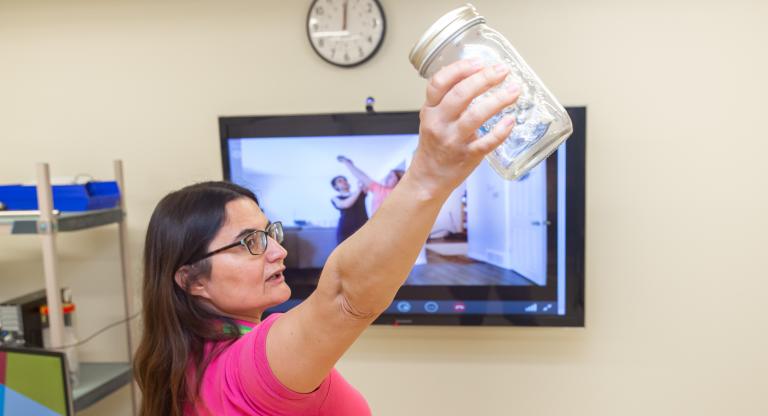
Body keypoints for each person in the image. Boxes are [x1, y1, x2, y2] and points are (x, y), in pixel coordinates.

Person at [133, 59, 521, 416]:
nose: (279, 251)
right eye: (251, 242)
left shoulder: (183, 362)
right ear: (192, 280)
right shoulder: (247, 371)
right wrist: (430, 173)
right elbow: (343, 296)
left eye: (270, 233)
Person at [337, 155, 404, 215]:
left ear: (400, 180)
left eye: (390, 177)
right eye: (388, 176)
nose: (387, 178)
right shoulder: (379, 188)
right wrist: (346, 162)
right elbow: (361, 176)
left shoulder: (403, 193)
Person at [330, 175, 369, 245]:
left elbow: (367, 182)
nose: (344, 181)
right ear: (336, 187)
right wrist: (358, 190)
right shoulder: (335, 198)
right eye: (340, 181)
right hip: (346, 231)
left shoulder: (360, 192)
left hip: (363, 228)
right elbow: (345, 205)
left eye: (345, 180)